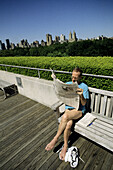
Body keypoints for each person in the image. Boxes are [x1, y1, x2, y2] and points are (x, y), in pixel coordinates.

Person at [45, 67, 89, 160]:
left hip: (79, 111)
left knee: (65, 116)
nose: (73, 79)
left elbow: (84, 103)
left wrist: (81, 96)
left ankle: (56, 138)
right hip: (69, 110)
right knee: (68, 124)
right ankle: (65, 145)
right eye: (72, 76)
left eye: (76, 78)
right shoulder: (68, 84)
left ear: (80, 77)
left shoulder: (84, 87)